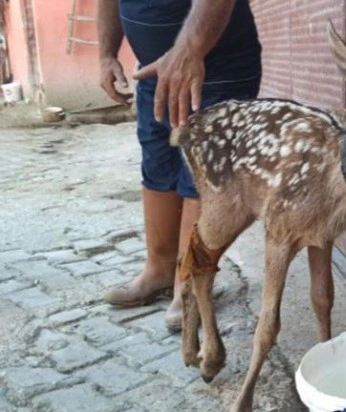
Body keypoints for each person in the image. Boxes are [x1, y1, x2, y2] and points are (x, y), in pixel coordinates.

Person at [97, 0, 262, 331]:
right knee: (158, 163)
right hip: (155, 67)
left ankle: (188, 286)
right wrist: (105, 54)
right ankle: (158, 270)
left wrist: (188, 51)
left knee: (201, 179)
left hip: (218, 65)